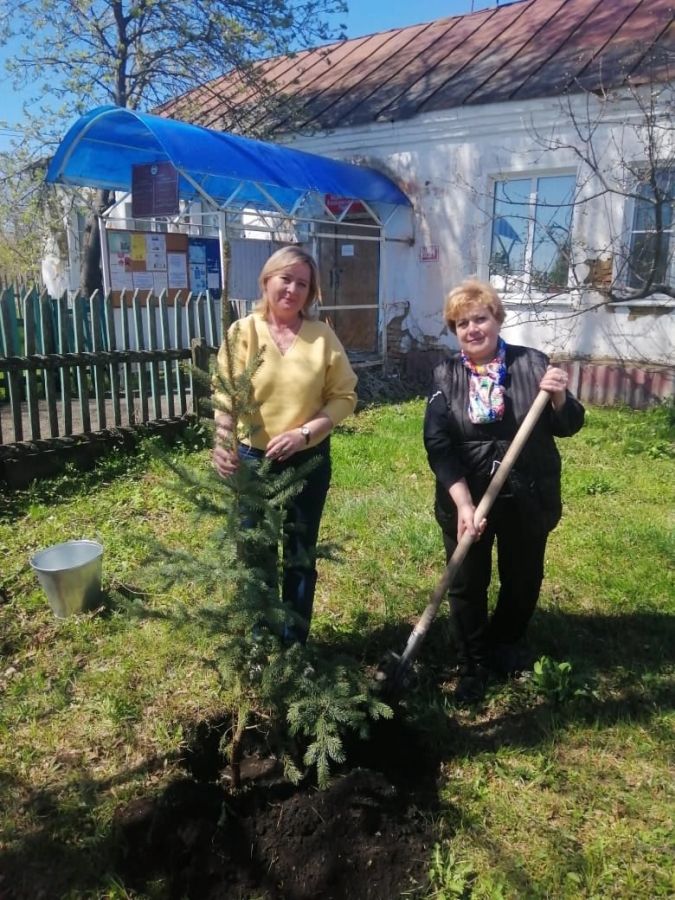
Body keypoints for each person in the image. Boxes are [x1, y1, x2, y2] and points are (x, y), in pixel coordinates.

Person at [423, 278, 584, 703]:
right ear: (454, 330)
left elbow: (569, 426)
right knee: (467, 584)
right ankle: (472, 663)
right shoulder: (445, 374)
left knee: (523, 578)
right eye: (462, 323)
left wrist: (560, 398)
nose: (472, 328)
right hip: (468, 498)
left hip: (528, 492)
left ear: (497, 319)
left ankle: (505, 645)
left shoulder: (532, 364)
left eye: (480, 318)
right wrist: (462, 504)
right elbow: (438, 445)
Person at [212, 246, 357, 644]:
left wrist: (305, 434)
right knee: (257, 552)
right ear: (267, 281)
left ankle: (294, 643)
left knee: (300, 555)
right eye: (285, 279)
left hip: (306, 462)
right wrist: (223, 442)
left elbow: (344, 397)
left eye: (303, 284)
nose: (292, 289)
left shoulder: (322, 337)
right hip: (251, 461)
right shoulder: (244, 332)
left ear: (311, 294)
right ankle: (260, 639)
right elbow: (226, 393)